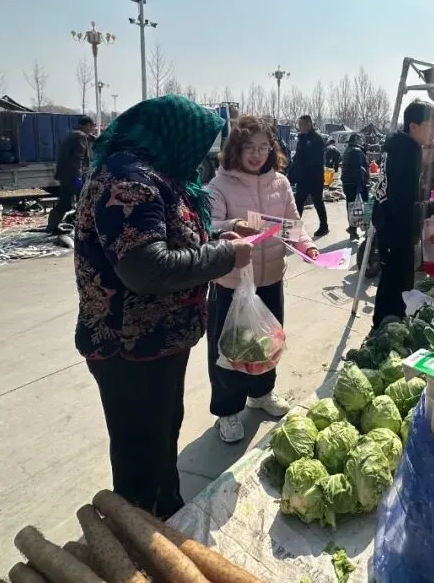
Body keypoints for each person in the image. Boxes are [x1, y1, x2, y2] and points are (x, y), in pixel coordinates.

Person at [73, 96, 253, 517]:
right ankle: (138, 530)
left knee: (163, 433)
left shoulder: (158, 176)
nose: (202, 155)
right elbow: (146, 268)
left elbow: (170, 239)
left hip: (161, 340)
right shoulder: (128, 181)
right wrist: (224, 256)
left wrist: (215, 242)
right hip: (130, 347)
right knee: (140, 449)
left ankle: (167, 511)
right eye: (197, 143)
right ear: (173, 135)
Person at [207, 115, 319, 443]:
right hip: (232, 284)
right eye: (249, 147)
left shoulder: (280, 184)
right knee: (231, 351)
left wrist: (309, 247)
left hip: (270, 280)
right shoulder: (219, 185)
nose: (256, 154)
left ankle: (262, 394)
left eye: (263, 147)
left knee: (267, 343)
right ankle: (227, 411)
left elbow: (293, 225)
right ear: (235, 149)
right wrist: (234, 225)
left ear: (272, 149)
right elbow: (209, 226)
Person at [372, 101, 434, 328]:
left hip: (388, 228)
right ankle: (385, 330)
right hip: (397, 233)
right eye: (431, 124)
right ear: (414, 126)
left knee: (388, 286)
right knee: (396, 292)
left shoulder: (397, 146)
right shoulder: (407, 151)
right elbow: (404, 207)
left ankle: (381, 327)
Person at [47, 116, 98, 233]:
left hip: (65, 175)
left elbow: (89, 138)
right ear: (87, 125)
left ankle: (52, 226)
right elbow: (78, 158)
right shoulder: (80, 137)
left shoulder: (72, 134)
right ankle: (84, 226)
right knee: (85, 201)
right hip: (73, 175)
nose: (93, 129)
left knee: (65, 203)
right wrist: (78, 177)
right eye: (92, 126)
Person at [290, 114, 329, 237]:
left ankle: (324, 226)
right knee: (298, 203)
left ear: (309, 124)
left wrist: (302, 170)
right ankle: (293, 231)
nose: (299, 127)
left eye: (301, 124)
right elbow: (297, 159)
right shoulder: (302, 139)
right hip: (303, 178)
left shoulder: (316, 139)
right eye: (299, 124)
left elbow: (315, 160)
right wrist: (292, 174)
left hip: (314, 177)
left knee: (318, 201)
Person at [341, 133, 370, 240]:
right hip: (356, 183)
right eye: (362, 139)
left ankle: (352, 229)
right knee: (360, 206)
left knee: (352, 206)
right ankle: (359, 230)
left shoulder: (348, 150)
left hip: (348, 183)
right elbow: (359, 169)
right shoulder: (356, 151)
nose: (363, 142)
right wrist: (363, 183)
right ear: (357, 140)